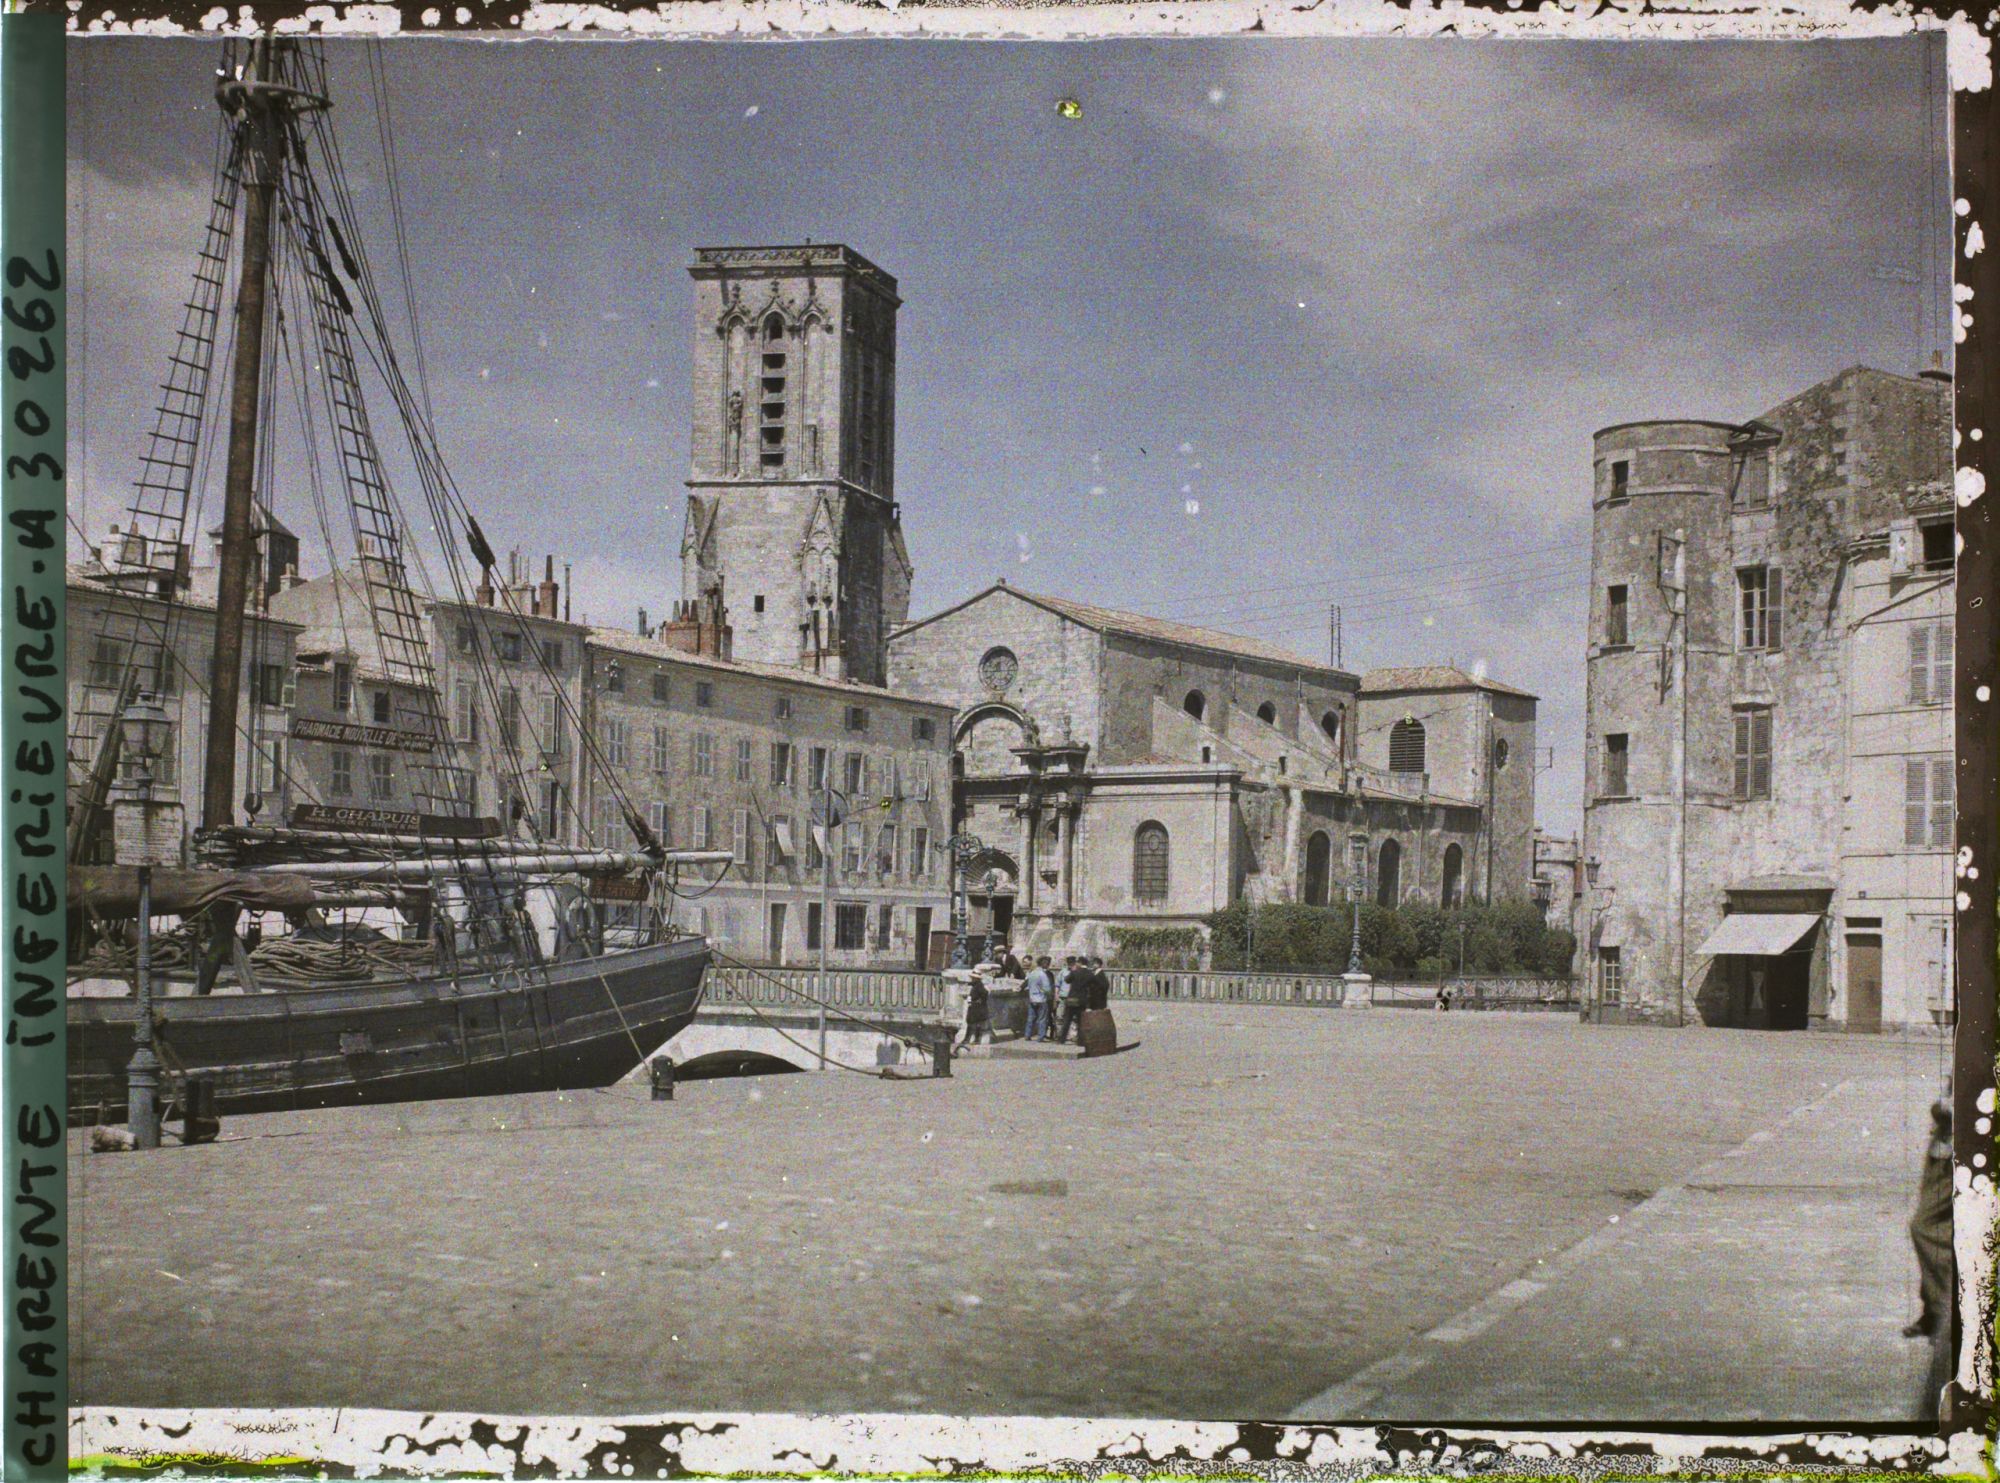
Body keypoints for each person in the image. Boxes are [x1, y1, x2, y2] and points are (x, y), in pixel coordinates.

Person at [1054, 956, 1087, 1045]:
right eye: (1069, 963)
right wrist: (1056, 994)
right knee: (1060, 1017)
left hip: (1073, 999)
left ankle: (1072, 1036)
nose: (1070, 964)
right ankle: (1060, 1035)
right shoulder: (1063, 972)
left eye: (1072, 963)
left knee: (1074, 1019)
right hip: (1063, 997)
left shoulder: (1078, 972)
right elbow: (1058, 984)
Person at [958, 971, 992, 1050]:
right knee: (972, 1022)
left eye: (973, 978)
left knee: (974, 1023)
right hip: (974, 1006)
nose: (971, 979)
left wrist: (980, 1001)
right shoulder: (976, 985)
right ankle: (970, 1039)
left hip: (977, 1007)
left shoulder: (979, 986)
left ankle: (972, 1039)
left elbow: (985, 994)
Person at [1023, 955, 1054, 1042]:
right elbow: (1047, 988)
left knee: (1030, 1018)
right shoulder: (1042, 974)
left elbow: (1027, 986)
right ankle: (1040, 1037)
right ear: (1044, 964)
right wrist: (1049, 995)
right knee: (1042, 1018)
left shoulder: (1032, 974)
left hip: (1032, 998)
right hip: (1041, 999)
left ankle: (1027, 1035)